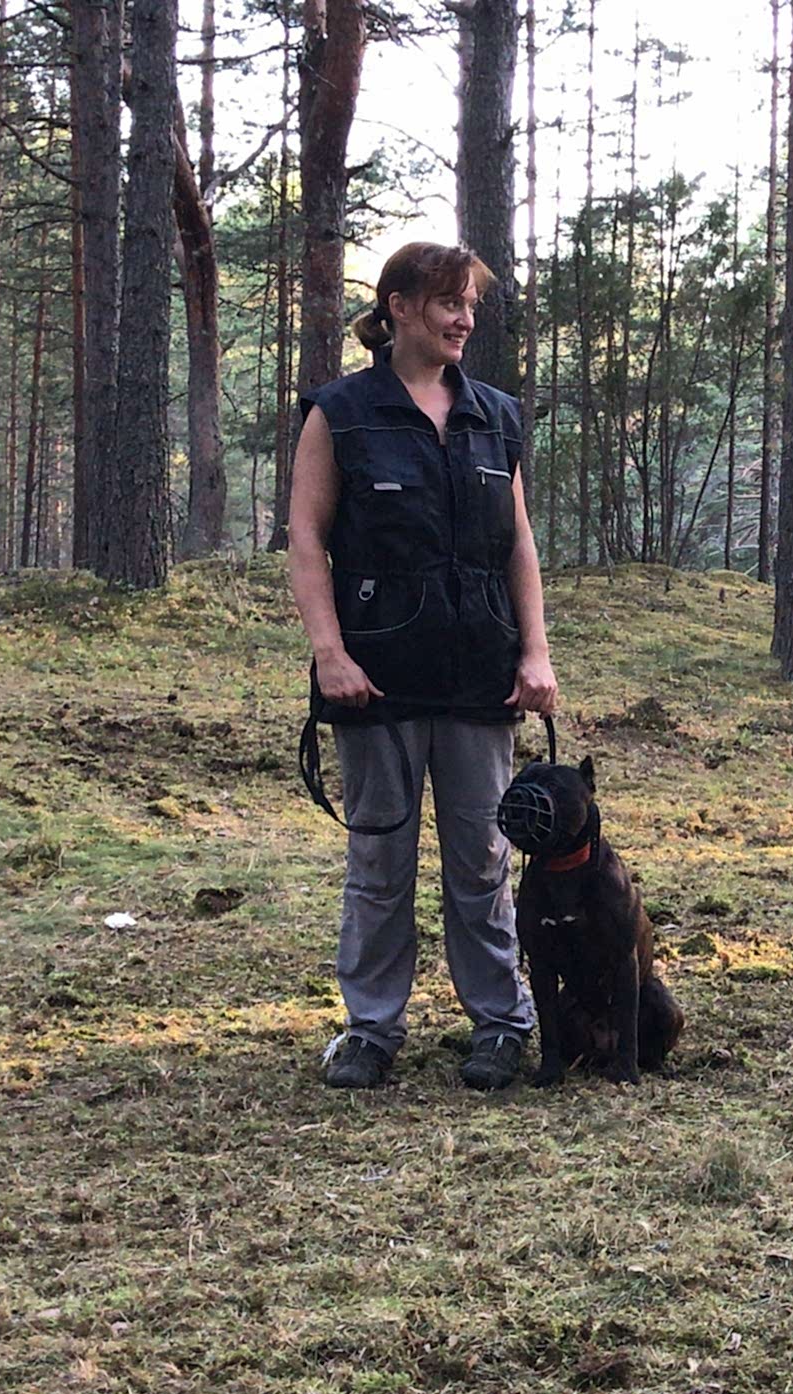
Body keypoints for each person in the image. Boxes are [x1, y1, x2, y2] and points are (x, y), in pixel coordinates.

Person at [287, 241, 558, 1092]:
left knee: (482, 860)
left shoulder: (496, 416)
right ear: (398, 306)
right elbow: (306, 539)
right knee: (380, 864)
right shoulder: (340, 413)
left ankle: (501, 1024)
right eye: (448, 302)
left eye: (470, 304)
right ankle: (370, 1029)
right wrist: (330, 653)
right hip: (376, 677)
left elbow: (518, 543)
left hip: (481, 674)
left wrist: (536, 651)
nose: (464, 318)